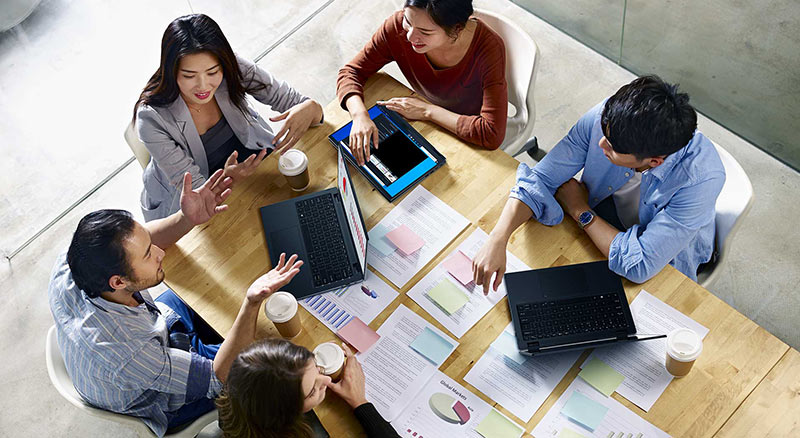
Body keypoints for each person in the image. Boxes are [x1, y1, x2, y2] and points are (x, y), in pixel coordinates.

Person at [48, 169, 304, 437]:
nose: (160, 252)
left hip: (151, 337)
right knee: (275, 361)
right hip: (159, 396)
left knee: (217, 299)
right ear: (118, 282)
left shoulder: (74, 259)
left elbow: (143, 240)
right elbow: (219, 379)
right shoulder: (128, 354)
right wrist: (251, 303)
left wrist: (186, 219)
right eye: (149, 255)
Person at [473, 75, 726, 291]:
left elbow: (640, 266)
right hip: (605, 219)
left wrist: (580, 210)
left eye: (612, 147)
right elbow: (541, 179)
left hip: (663, 261)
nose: (600, 144)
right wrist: (498, 238)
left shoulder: (699, 180)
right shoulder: (610, 119)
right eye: (604, 135)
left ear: (654, 161)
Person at [134, 13, 323, 221]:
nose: (203, 86)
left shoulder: (231, 66)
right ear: (171, 72)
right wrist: (227, 179)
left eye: (212, 72)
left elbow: (292, 100)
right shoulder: (150, 119)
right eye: (189, 76)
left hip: (249, 165)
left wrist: (310, 107)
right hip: (193, 197)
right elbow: (197, 192)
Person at [336, 0, 507, 165]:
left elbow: (491, 133)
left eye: (425, 32)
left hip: (463, 129)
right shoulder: (397, 28)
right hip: (423, 123)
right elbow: (351, 72)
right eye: (408, 21)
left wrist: (427, 111)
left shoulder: (489, 49)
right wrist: (359, 116)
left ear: (457, 30)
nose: (410, 36)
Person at [216, 340, 399, 438]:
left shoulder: (238, 396)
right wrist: (360, 402)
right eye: (312, 391)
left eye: (316, 366)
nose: (327, 380)